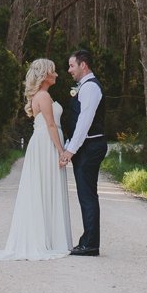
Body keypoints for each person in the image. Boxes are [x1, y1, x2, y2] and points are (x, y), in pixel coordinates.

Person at [0, 58, 73, 260]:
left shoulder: (40, 96)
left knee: (45, 187)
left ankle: (49, 237)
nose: (56, 74)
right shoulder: (44, 96)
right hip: (47, 144)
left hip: (43, 142)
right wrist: (61, 151)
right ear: (45, 75)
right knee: (46, 186)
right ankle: (48, 239)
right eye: (53, 71)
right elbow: (50, 126)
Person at [60, 48, 106, 256]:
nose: (69, 70)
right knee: (85, 194)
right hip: (86, 146)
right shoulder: (85, 87)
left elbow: (84, 122)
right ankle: (88, 240)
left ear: (83, 65)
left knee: (87, 195)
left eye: (72, 65)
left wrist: (70, 150)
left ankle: (90, 244)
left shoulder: (90, 88)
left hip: (90, 146)